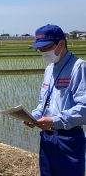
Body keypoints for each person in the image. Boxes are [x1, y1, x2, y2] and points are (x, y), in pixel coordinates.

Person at [24, 24, 86, 176]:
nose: (43, 52)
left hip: (68, 139)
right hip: (47, 137)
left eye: (46, 48)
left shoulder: (79, 68)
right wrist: (34, 116)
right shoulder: (49, 69)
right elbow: (43, 102)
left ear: (61, 44)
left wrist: (54, 121)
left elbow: (84, 108)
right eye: (40, 49)